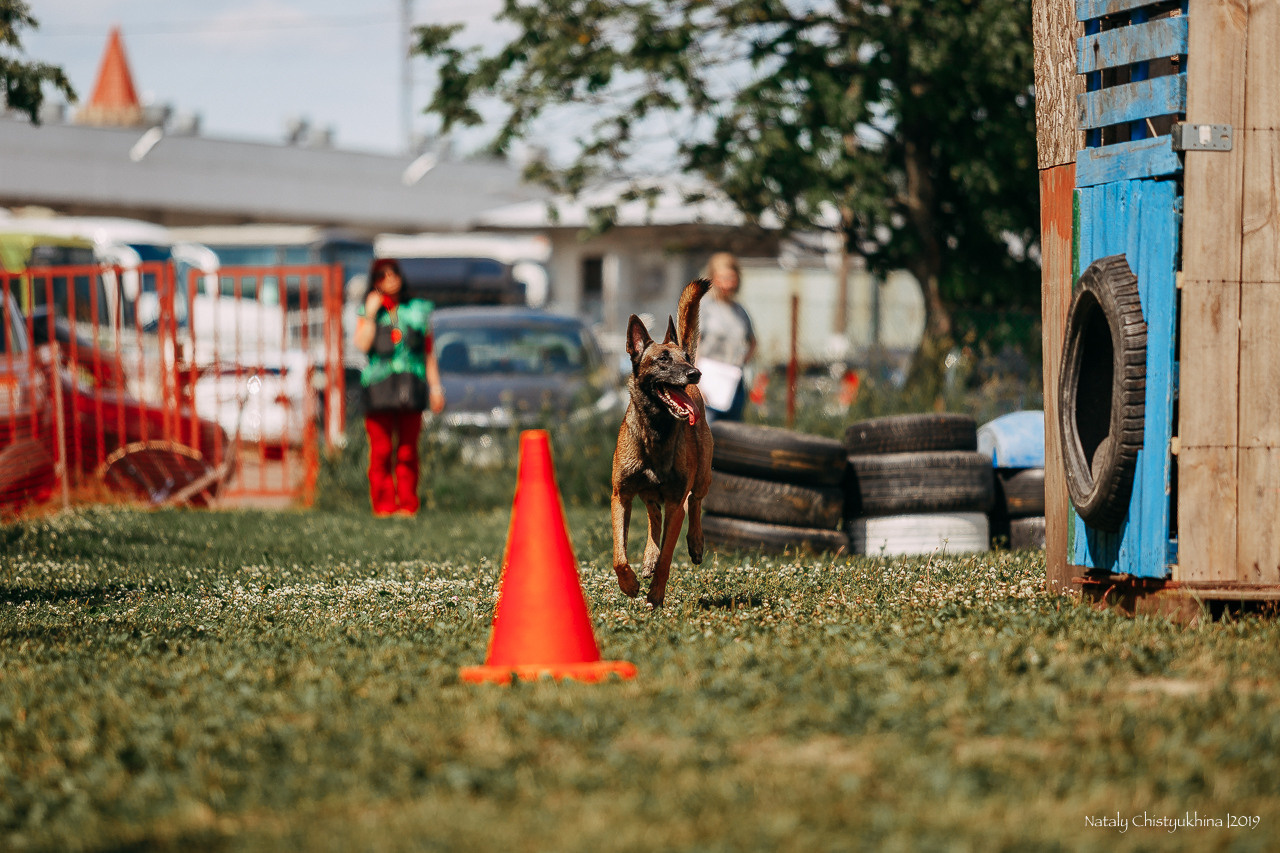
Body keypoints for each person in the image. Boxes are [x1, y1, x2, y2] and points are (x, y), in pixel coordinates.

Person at [354, 258, 445, 517]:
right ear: (375, 281)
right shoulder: (369, 310)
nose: (389, 279)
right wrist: (370, 313)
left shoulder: (418, 310)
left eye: (393, 273)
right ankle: (383, 504)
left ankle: (407, 504)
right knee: (381, 450)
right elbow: (361, 345)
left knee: (407, 451)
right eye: (382, 275)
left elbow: (428, 353)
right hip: (379, 387)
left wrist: (436, 388)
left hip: (411, 385)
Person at [696, 251, 756, 421]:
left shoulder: (740, 311)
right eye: (722, 277)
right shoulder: (705, 308)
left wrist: (740, 363)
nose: (727, 283)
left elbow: (752, 342)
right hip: (707, 382)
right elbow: (694, 345)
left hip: (733, 383)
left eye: (731, 278)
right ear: (713, 278)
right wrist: (696, 383)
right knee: (707, 432)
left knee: (733, 435)